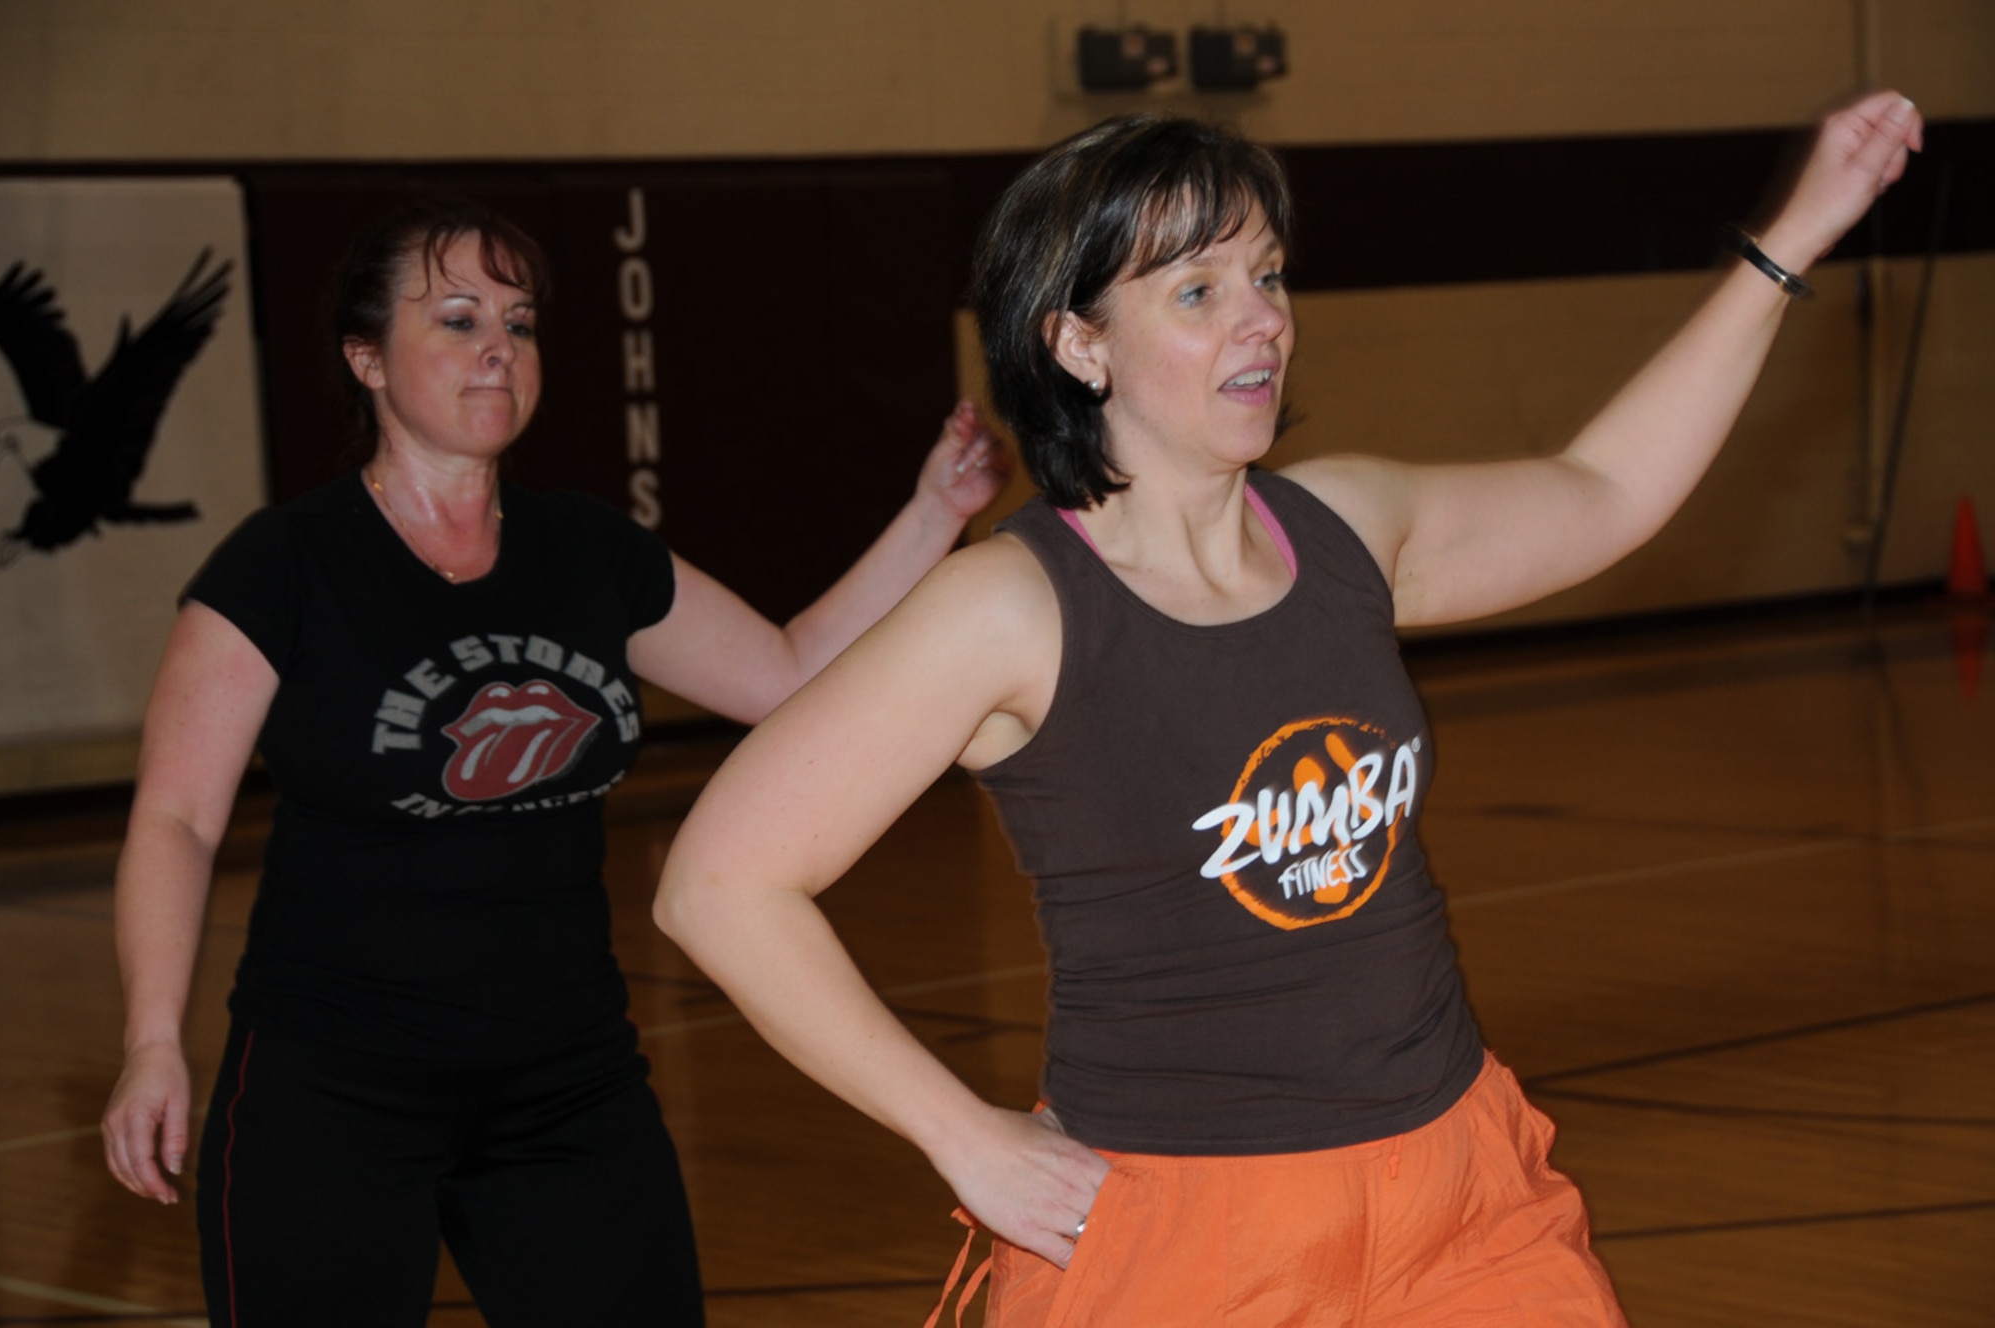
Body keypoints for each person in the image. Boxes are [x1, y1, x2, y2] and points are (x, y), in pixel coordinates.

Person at [654, 91, 1922, 1325]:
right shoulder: (1009, 607)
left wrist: (1787, 244)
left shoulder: (1343, 528)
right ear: (1077, 340)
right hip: (1188, 1230)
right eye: (1197, 292)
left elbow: (1602, 490)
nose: (1259, 320)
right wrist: (958, 1134)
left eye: (1266, 276)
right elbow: (719, 882)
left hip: (1458, 1197)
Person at [99, 199, 1008, 1326]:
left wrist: (933, 512)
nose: (499, 347)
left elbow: (786, 671)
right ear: (366, 357)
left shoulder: (586, 549)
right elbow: (176, 820)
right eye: (460, 318)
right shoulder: (284, 566)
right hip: (330, 1091)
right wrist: (151, 1043)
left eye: (520, 324)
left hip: (566, 1084)